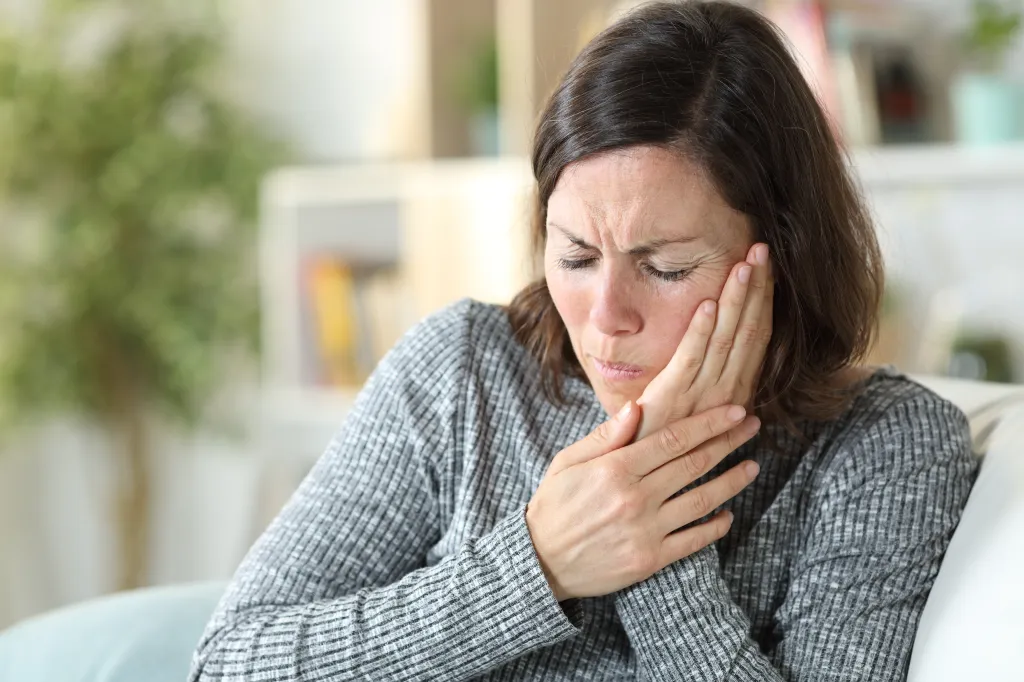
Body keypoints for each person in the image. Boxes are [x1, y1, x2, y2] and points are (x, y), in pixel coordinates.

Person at [189, 2, 976, 680]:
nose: (605, 314)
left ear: (784, 257)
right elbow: (227, 664)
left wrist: (652, 530)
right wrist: (536, 565)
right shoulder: (462, 371)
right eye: (575, 256)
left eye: (664, 268)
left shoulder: (882, 448)